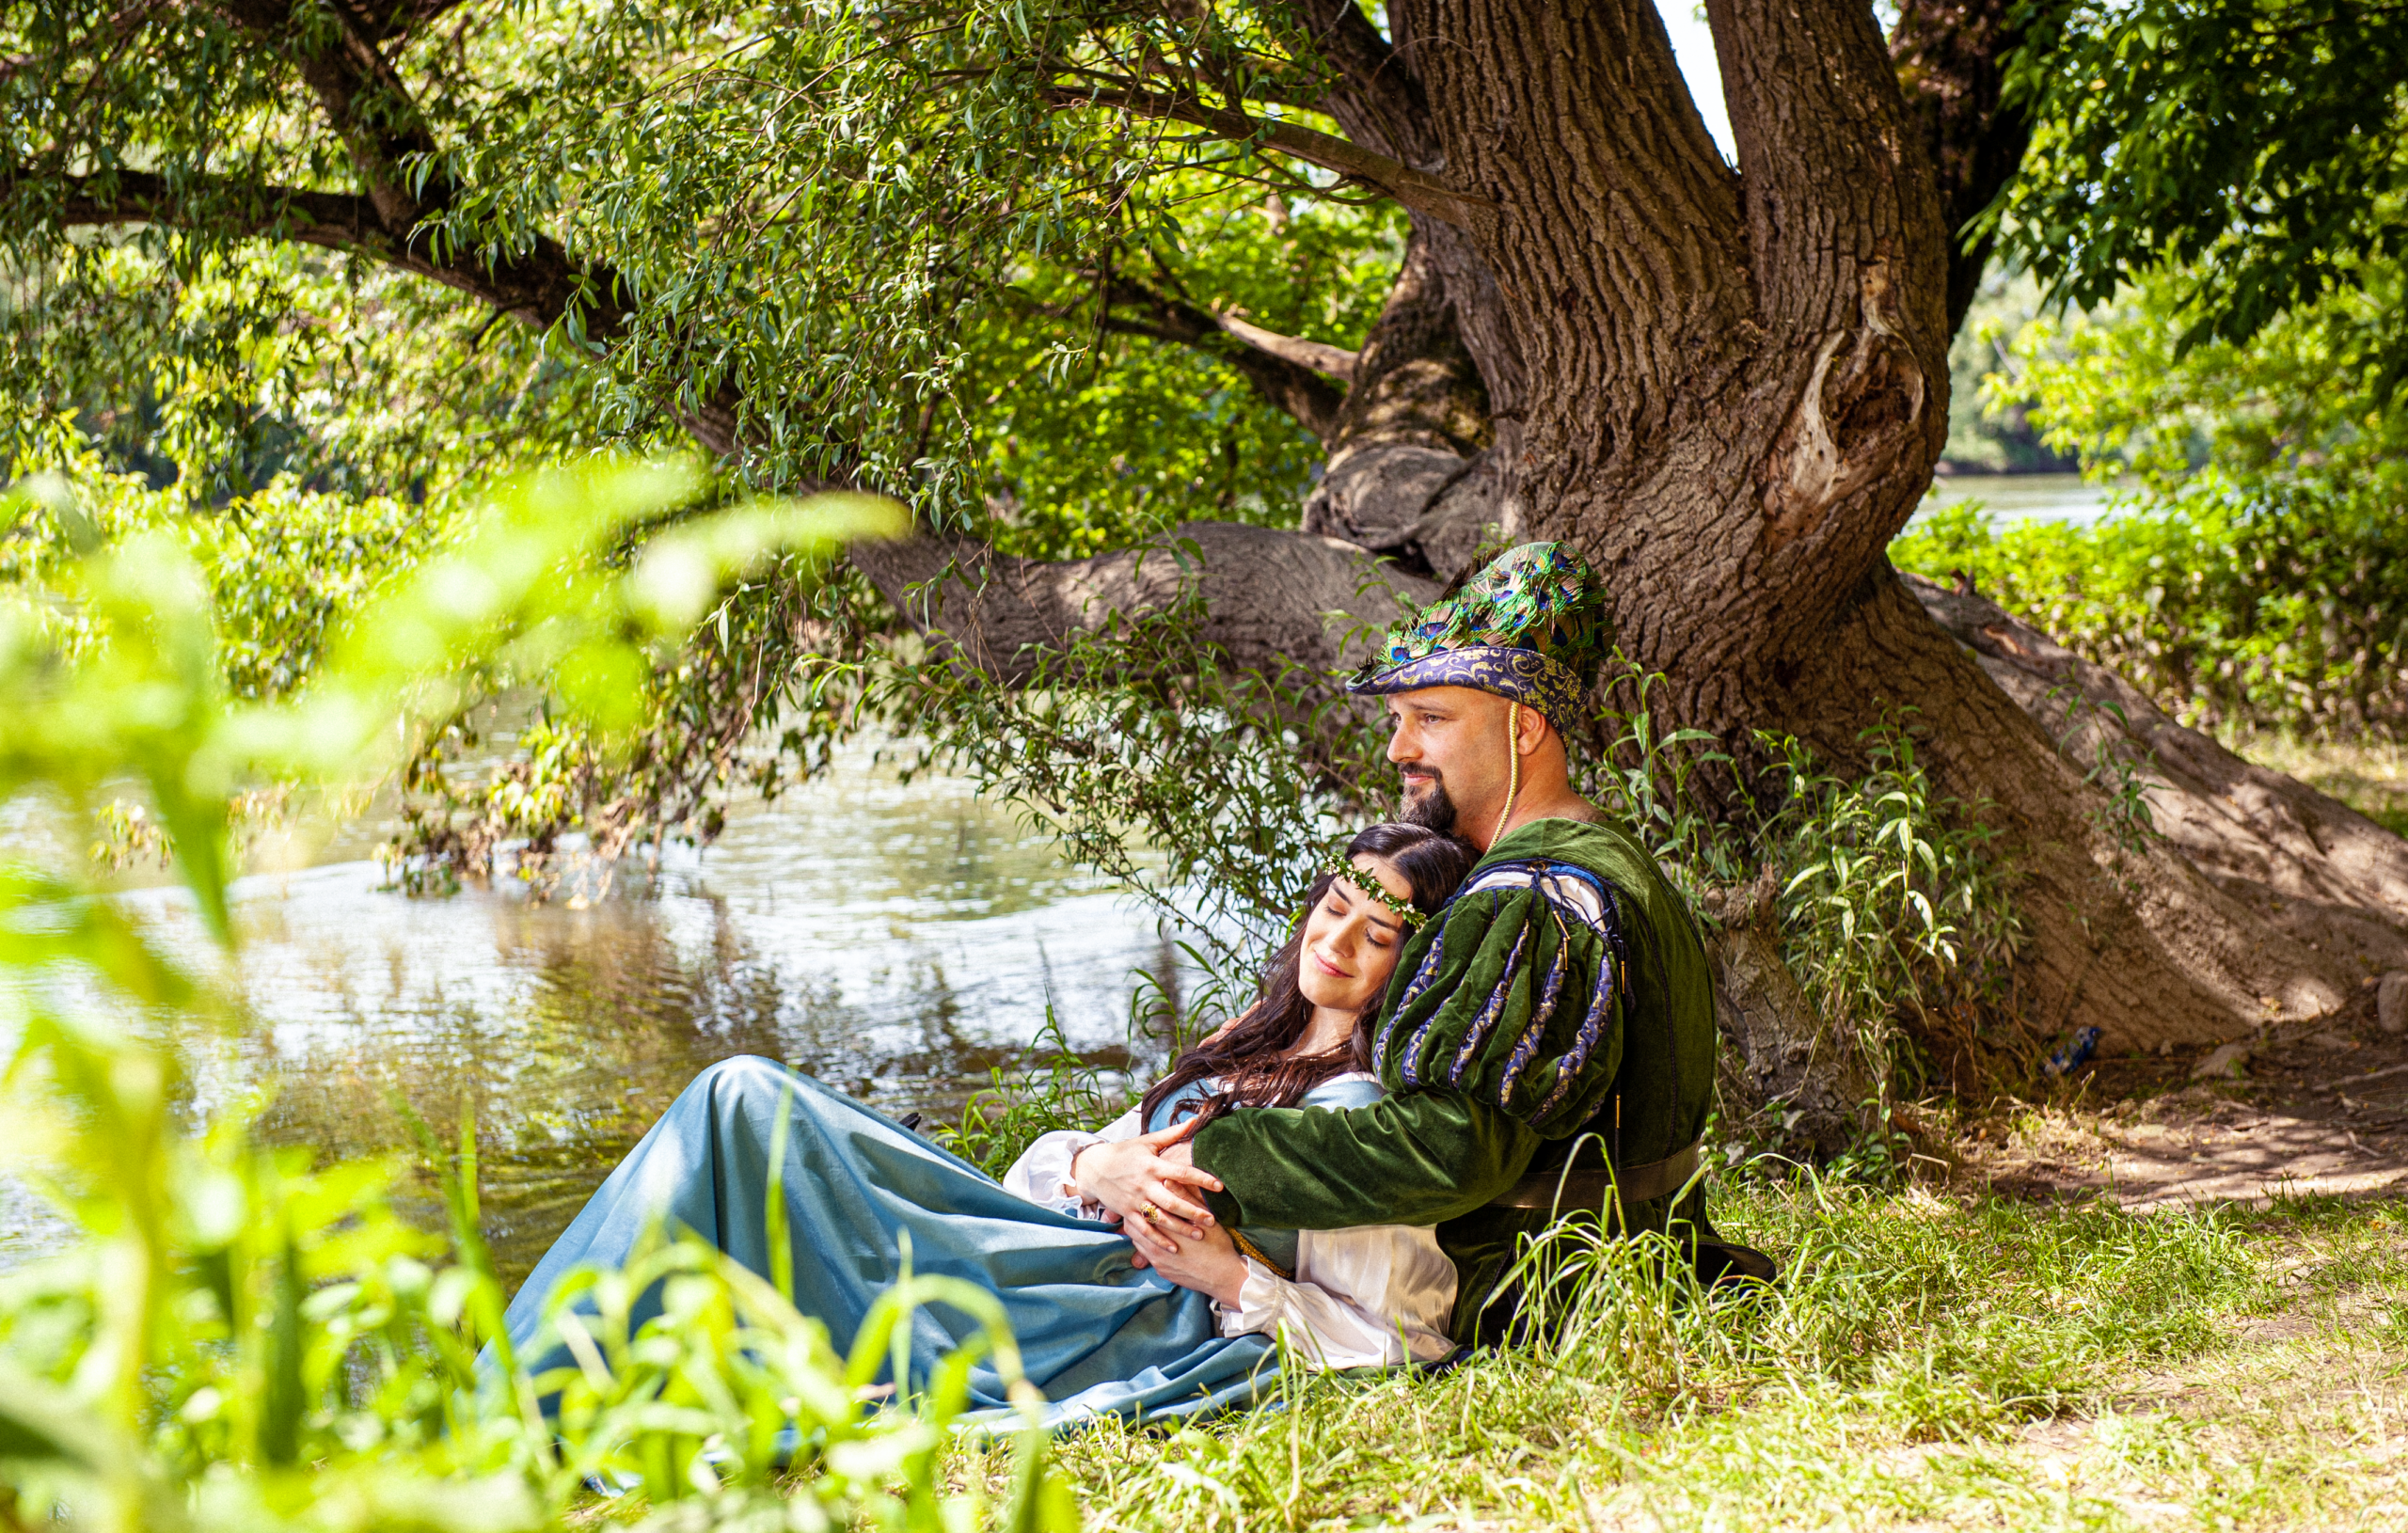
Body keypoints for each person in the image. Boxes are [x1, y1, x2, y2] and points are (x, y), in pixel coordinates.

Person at [495, 823, 1475, 1427]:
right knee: (744, 1101)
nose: (1334, 939)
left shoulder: (1362, 1112)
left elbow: (1396, 1338)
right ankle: (532, 1371)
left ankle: (521, 1387)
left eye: (1375, 933)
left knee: (743, 1099)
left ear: (1415, 968)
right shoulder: (1248, 1038)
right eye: (1333, 906)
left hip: (1110, 1319)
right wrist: (1099, 1162)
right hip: (1052, 1239)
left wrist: (1227, 1275)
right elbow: (1042, 1168)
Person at [1074, 543, 1769, 1349]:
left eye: (1431, 720)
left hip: (1540, 1291)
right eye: (1399, 721)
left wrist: (1205, 1152)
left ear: (1527, 726)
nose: (1401, 748)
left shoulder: (1530, 897)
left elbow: (1446, 1151)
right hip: (1637, 1259)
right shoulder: (1608, 856)